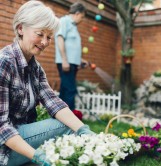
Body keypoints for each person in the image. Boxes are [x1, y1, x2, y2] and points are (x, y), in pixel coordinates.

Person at [0, 1, 94, 166]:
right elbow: (1, 126)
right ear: (21, 29)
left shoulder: (35, 68)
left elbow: (53, 102)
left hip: (19, 140)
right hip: (4, 149)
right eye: (40, 34)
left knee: (73, 125)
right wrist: (37, 156)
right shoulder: (5, 62)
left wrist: (84, 130)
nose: (44, 42)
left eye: (49, 37)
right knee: (63, 127)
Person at [55, 2, 89, 111]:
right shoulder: (64, 21)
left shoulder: (74, 26)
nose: (82, 20)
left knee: (65, 90)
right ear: (77, 13)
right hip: (65, 63)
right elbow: (60, 39)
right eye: (82, 17)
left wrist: (80, 60)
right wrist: (65, 60)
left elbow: (71, 48)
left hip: (72, 64)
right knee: (70, 90)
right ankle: (71, 120)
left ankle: (59, 118)